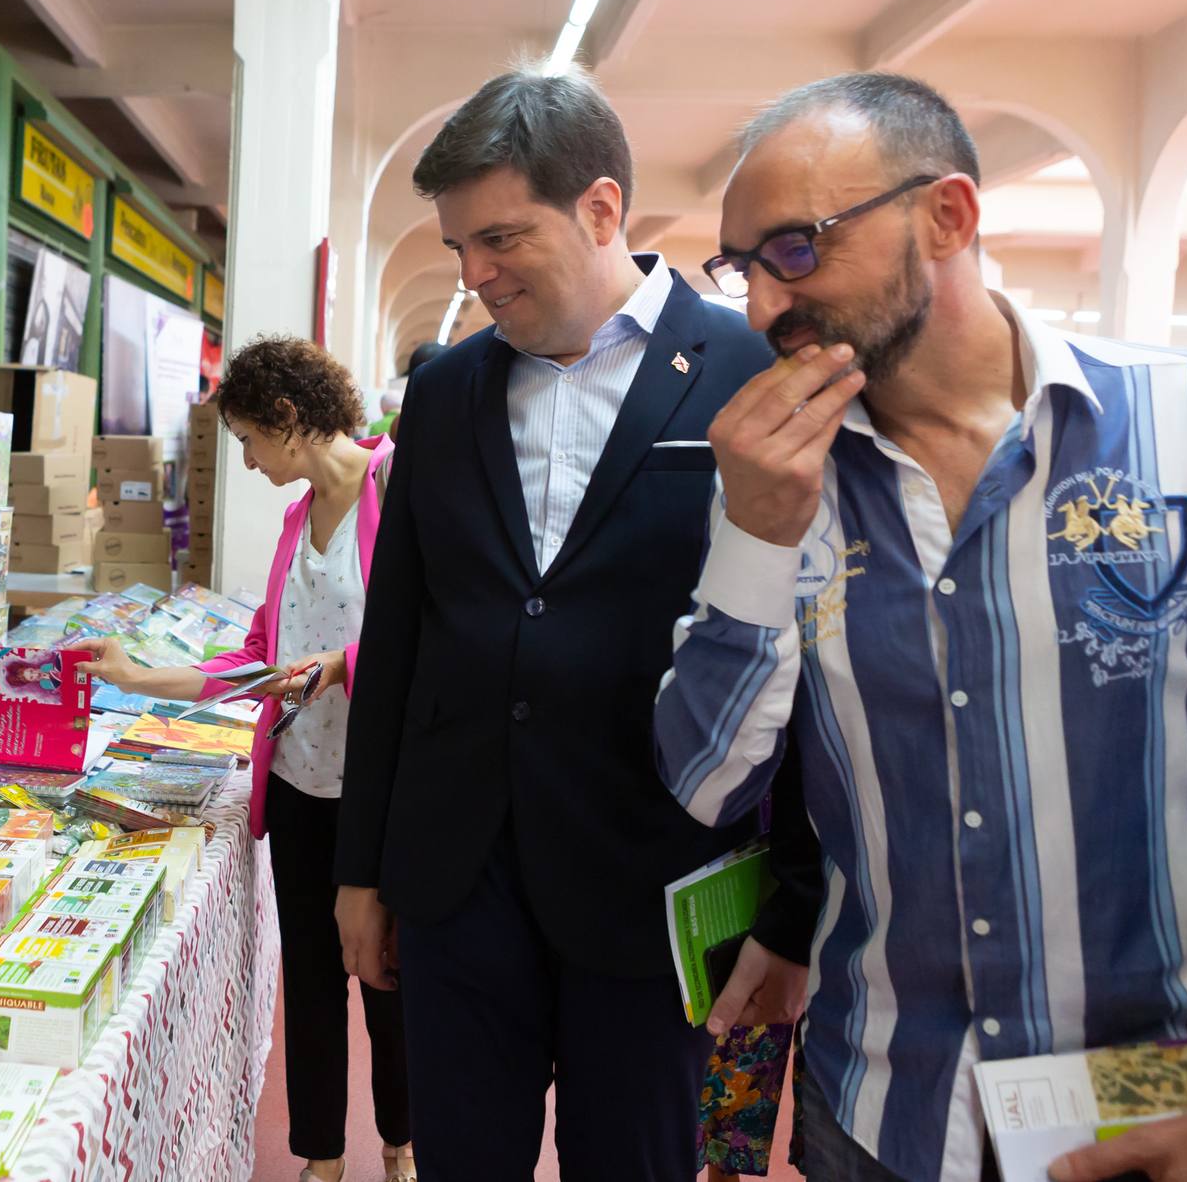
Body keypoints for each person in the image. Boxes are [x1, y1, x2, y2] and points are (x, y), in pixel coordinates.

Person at [654, 73, 1187, 1182]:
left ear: (948, 216)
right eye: (740, 267)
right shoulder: (774, 483)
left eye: (795, 251)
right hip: (881, 1111)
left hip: (1154, 1108)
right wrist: (756, 539)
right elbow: (706, 782)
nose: (760, 307)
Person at [332, 65, 805, 1181]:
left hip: (649, 882)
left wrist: (794, 894)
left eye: (498, 239)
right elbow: (398, 634)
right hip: (458, 882)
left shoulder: (746, 374)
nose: (475, 273)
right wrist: (361, 868)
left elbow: (805, 655)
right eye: (457, 249)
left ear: (602, 209)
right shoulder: (445, 394)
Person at [76, 335, 413, 1182]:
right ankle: (322, 1158)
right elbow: (261, 660)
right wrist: (137, 674)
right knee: (309, 977)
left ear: (288, 421)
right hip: (300, 783)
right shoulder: (298, 517)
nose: (249, 462)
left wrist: (343, 666)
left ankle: (402, 1143)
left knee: (387, 979)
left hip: (381, 790)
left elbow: (434, 634)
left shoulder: (399, 486)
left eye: (248, 441)